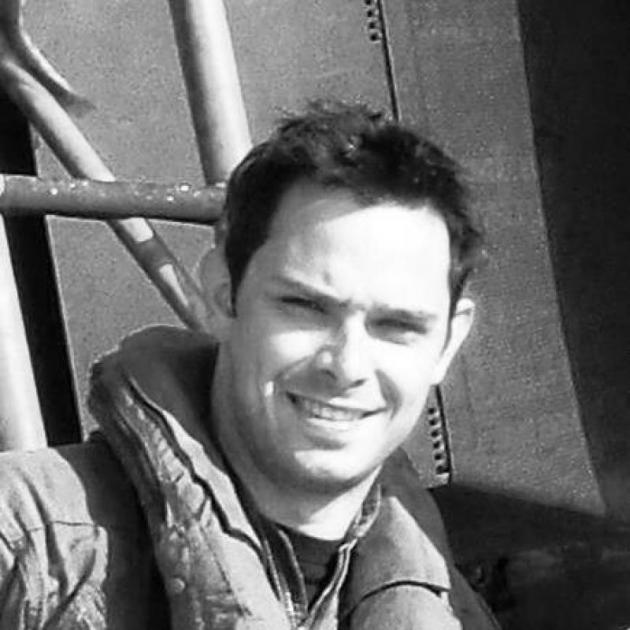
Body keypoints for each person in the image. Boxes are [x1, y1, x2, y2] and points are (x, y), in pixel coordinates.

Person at [0, 101, 498, 629]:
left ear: (448, 343)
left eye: (397, 325)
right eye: (305, 306)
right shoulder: (28, 545)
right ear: (222, 294)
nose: (347, 365)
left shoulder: (456, 616)